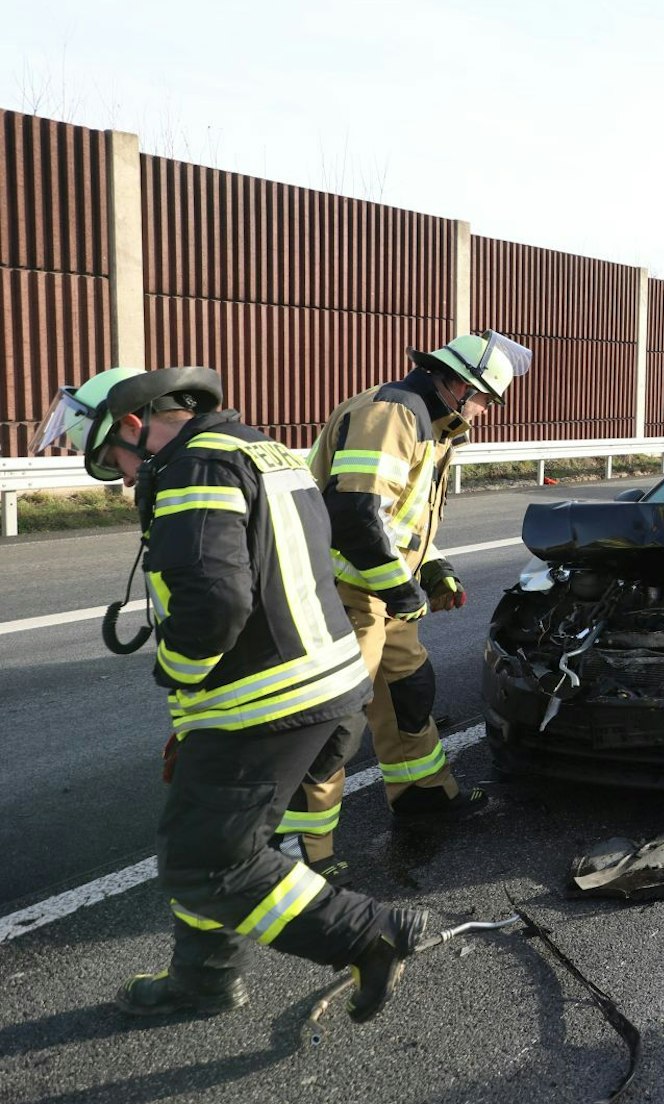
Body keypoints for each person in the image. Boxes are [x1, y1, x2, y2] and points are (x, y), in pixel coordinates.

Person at [36, 366, 427, 1020]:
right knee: (203, 838)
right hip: (322, 688)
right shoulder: (258, 447)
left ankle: (368, 934)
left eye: (118, 460)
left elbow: (215, 601)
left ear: (135, 423)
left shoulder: (192, 468)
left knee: (208, 863)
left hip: (264, 703)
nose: (128, 478)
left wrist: (185, 685)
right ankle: (203, 979)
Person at [284, 331, 531, 878]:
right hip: (343, 594)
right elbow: (354, 514)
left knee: (407, 693)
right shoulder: (395, 414)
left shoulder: (428, 422)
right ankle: (301, 854)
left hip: (375, 593)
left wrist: (433, 566)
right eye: (485, 399)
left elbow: (398, 519)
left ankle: (422, 795)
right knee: (333, 722)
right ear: (461, 387)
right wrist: (401, 589)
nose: (485, 412)